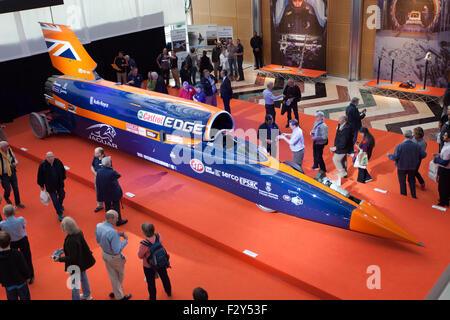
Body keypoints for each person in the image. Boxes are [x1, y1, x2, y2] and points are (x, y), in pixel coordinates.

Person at [54, 217, 95, 300]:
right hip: (82, 261)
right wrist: (64, 249)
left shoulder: (71, 240)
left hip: (75, 265)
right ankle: (87, 295)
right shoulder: (79, 232)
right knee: (84, 278)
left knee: (75, 284)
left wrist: (59, 259)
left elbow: (71, 258)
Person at [95, 210, 131, 300]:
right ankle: (119, 296)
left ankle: (116, 291)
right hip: (114, 258)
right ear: (111, 218)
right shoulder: (113, 232)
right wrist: (125, 240)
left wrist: (118, 234)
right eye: (116, 218)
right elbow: (117, 250)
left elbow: (98, 240)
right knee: (120, 275)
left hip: (104, 254)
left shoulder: (98, 226)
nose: (118, 219)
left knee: (112, 275)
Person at [0, 204, 34, 284]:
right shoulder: (21, 219)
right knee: (27, 257)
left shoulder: (2, 224)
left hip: (11, 242)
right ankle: (30, 276)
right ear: (14, 212)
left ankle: (19, 273)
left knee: (14, 259)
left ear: (4, 214)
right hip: (22, 240)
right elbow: (23, 226)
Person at [388, 130, 427, 199]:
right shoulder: (417, 146)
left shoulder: (400, 146)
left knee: (402, 182)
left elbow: (395, 157)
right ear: (411, 136)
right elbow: (424, 155)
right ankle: (413, 196)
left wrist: (389, 155)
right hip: (412, 167)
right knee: (412, 181)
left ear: (404, 136)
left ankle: (404, 197)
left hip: (401, 167)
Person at [138, 222, 172, 300]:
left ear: (144, 232)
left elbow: (140, 256)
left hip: (149, 266)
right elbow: (161, 243)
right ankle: (168, 291)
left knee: (151, 283)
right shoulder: (158, 236)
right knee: (164, 276)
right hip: (161, 262)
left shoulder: (144, 244)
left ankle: (152, 298)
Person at [95, 156, 128, 226]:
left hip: (104, 193)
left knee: (107, 207)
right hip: (114, 193)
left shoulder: (99, 171)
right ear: (108, 164)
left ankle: (109, 220)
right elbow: (118, 175)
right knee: (116, 207)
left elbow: (98, 183)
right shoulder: (112, 172)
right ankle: (119, 221)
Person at [0, 231, 31, 300]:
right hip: (21, 282)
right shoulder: (17, 253)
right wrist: (28, 276)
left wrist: (2, 281)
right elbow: (23, 267)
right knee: (25, 297)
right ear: (10, 241)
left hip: (8, 284)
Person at [37, 152, 66, 221]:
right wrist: (41, 185)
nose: (50, 158)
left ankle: (59, 206)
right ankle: (60, 213)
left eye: (52, 156)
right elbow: (39, 176)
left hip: (59, 183)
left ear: (54, 156)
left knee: (62, 195)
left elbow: (63, 170)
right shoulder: (42, 165)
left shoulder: (58, 162)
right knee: (54, 200)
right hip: (50, 186)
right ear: (46, 158)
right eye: (49, 157)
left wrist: (63, 178)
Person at [0, 141, 24, 209]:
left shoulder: (9, 151)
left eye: (8, 146)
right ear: (2, 148)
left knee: (16, 188)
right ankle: (6, 197)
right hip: (3, 175)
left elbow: (14, 159)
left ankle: (18, 203)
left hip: (12, 172)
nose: (8, 147)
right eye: (6, 146)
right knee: (8, 189)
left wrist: (15, 163)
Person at [433, 129, 450, 207]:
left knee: (442, 186)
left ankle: (443, 202)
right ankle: (445, 199)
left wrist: (436, 160)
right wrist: (439, 154)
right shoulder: (446, 144)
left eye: (445, 135)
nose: (443, 136)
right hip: (446, 169)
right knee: (445, 185)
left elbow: (445, 162)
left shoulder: (448, 148)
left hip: (445, 170)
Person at [91, 147, 108, 212]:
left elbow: (109, 170)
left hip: (104, 179)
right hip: (97, 177)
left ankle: (108, 205)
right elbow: (92, 166)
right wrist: (95, 173)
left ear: (100, 154)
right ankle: (100, 205)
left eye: (96, 153)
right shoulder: (95, 158)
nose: (94, 154)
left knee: (106, 191)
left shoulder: (106, 160)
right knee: (98, 191)